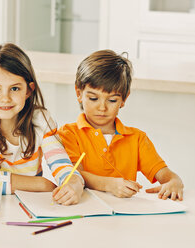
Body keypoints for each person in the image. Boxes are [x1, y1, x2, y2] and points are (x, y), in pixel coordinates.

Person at [0, 43, 84, 205]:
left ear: (28, 90)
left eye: (14, 89)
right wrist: (43, 184)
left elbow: (61, 165)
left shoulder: (41, 120)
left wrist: (74, 183)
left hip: (30, 208)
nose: (5, 98)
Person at [58, 49, 184, 200]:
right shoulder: (68, 133)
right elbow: (74, 175)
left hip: (125, 215)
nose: (102, 107)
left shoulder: (137, 138)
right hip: (84, 210)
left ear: (124, 99)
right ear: (79, 94)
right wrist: (109, 185)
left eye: (112, 100)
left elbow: (167, 176)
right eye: (93, 98)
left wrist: (175, 182)